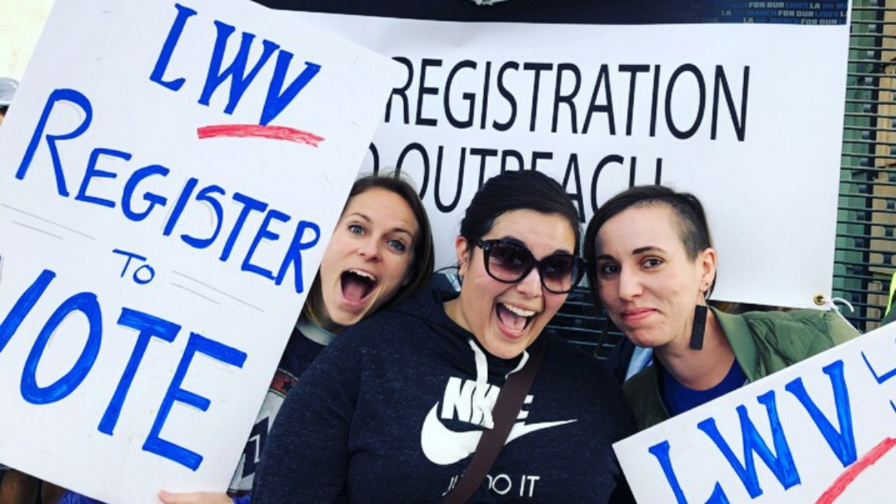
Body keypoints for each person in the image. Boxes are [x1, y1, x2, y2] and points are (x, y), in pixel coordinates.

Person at [252, 170, 636, 503]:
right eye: (509, 257)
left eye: (556, 267)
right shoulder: (367, 356)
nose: (532, 288)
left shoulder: (594, 390)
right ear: (465, 254)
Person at [56, 173, 435, 504]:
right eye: (356, 228)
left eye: (395, 243)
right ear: (322, 236)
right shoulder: (226, 315)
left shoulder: (387, 386)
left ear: (408, 273)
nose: (370, 250)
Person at [583, 185, 860, 431]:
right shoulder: (630, 407)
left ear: (705, 269)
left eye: (652, 262)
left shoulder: (818, 341)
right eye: (609, 268)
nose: (626, 289)